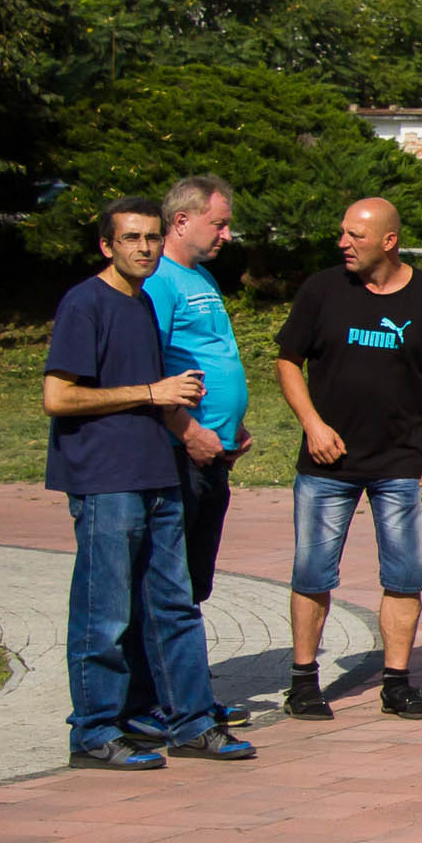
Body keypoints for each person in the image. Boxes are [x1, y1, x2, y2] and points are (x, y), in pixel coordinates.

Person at [44, 197, 251, 771]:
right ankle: (94, 732)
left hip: (158, 472)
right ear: (106, 245)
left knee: (174, 605)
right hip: (104, 479)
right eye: (131, 238)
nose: (144, 247)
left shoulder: (142, 303)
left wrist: (208, 424)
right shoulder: (86, 303)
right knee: (105, 612)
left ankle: (191, 724)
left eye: (152, 238)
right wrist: (152, 393)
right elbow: (57, 397)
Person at [274, 198, 422, 723]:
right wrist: (312, 425)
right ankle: (303, 682)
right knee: (312, 572)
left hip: (405, 464)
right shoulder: (322, 290)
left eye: (355, 235)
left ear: (389, 241)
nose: (344, 243)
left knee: (405, 576)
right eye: (342, 233)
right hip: (327, 463)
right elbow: (287, 361)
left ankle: (397, 684)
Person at [144, 177, 249, 611]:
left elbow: (214, 350)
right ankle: (160, 655)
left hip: (214, 451)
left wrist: (232, 424)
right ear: (182, 221)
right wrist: (189, 433)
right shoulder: (158, 281)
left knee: (196, 579)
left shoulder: (201, 275)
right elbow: (150, 369)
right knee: (171, 581)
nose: (227, 234)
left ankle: (181, 652)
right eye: (219, 224)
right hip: (181, 452)